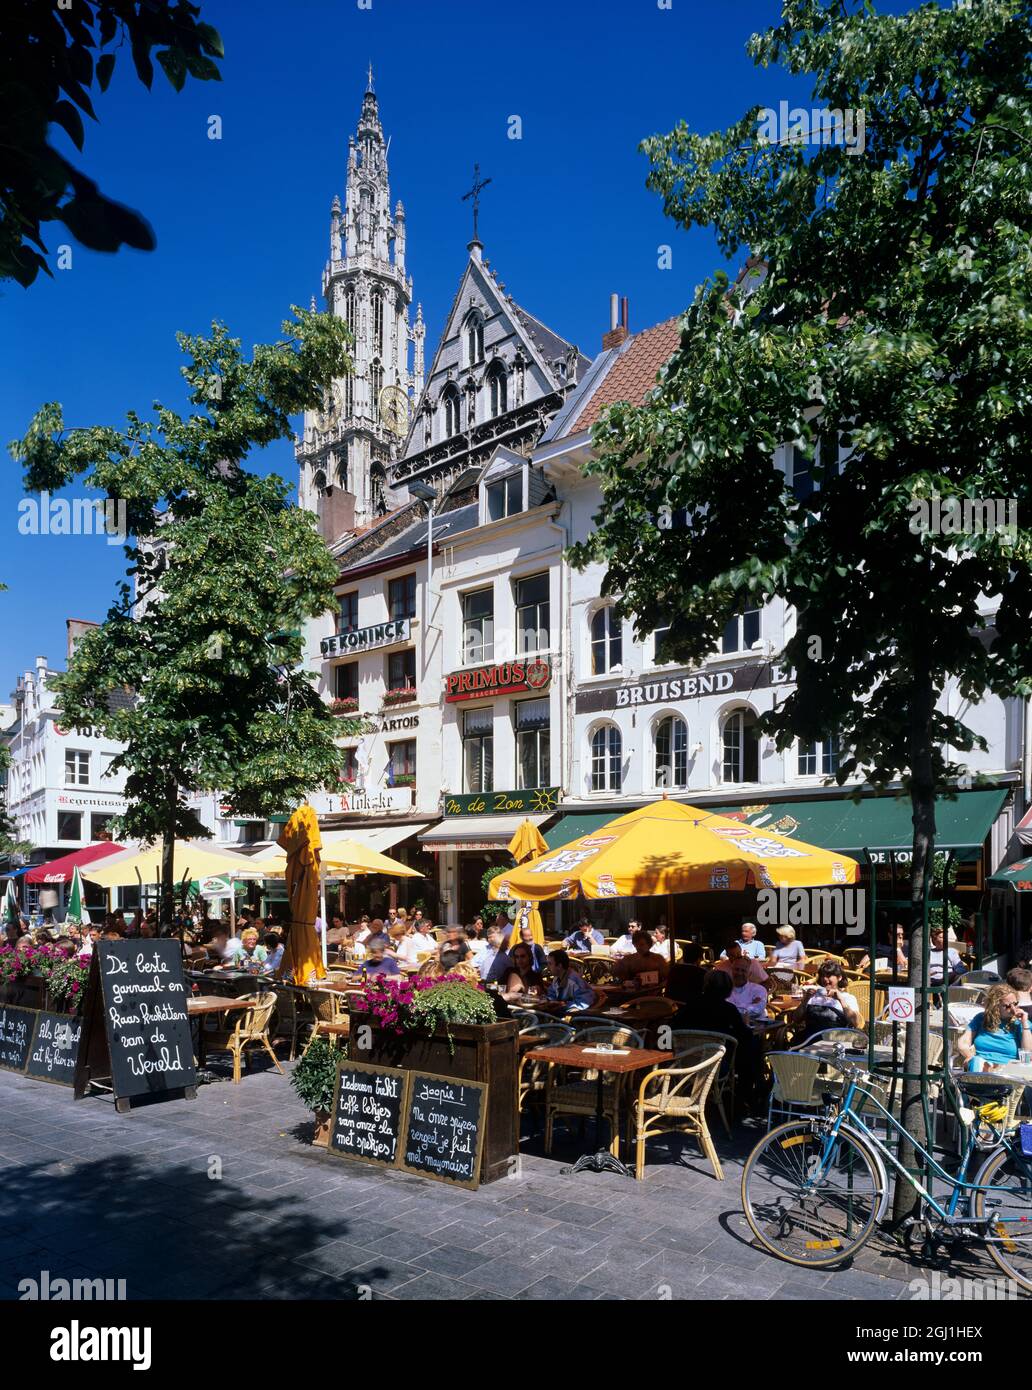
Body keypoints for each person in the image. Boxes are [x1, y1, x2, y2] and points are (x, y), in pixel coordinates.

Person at [671, 970, 763, 1110]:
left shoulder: (691, 1005)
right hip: (716, 1066)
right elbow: (745, 1035)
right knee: (752, 1048)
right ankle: (746, 1096)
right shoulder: (728, 1010)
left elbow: (673, 1027)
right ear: (728, 989)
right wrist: (744, 1025)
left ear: (706, 985)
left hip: (686, 1063)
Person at [958, 984, 1032, 1072]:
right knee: (976, 1061)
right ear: (995, 1007)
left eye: (1015, 1004)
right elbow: (963, 1042)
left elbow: (1028, 1055)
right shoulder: (981, 1018)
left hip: (1008, 1070)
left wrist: (1024, 1024)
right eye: (1007, 1006)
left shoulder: (1021, 1023)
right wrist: (969, 1056)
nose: (1013, 1009)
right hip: (982, 1066)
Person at [790, 960, 861, 1041]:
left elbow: (856, 1023)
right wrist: (805, 1000)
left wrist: (841, 1000)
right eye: (823, 976)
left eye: (829, 976)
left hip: (833, 1040)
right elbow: (796, 1019)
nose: (824, 979)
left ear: (839, 977)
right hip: (809, 1038)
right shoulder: (813, 996)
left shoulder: (848, 998)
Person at [728, 955, 769, 1021]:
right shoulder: (724, 989)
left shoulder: (759, 989)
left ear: (749, 974)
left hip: (755, 1028)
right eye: (736, 969)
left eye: (743, 971)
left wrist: (731, 1008)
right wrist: (749, 1005)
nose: (739, 973)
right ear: (731, 971)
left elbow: (757, 1010)